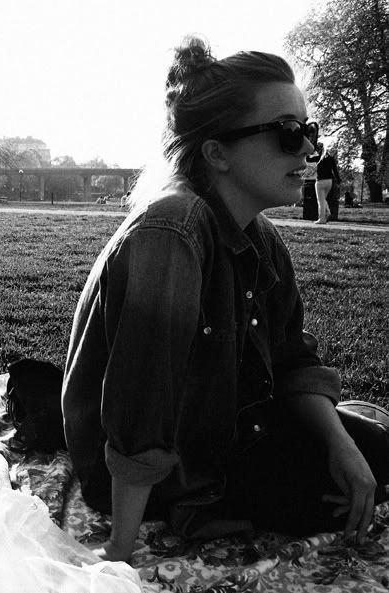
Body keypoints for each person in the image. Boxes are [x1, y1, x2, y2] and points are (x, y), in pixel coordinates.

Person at [62, 36, 389, 565]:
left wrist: (341, 443)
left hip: (229, 428)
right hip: (165, 469)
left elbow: (290, 357)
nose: (309, 150)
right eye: (288, 133)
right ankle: (198, 506)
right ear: (217, 153)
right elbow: (141, 399)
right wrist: (121, 547)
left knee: (369, 459)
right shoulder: (171, 231)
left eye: (308, 131)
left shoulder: (258, 235)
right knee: (332, 493)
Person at [315, 145, 341, 223]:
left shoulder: (318, 158)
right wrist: (338, 181)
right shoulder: (331, 158)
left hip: (320, 181)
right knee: (323, 199)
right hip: (329, 181)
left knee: (320, 201)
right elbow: (335, 170)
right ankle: (328, 212)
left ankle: (322, 219)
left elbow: (307, 159)